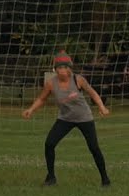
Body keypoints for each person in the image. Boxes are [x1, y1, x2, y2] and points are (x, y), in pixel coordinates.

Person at [22, 51, 112, 187]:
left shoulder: (78, 80)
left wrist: (102, 107)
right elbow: (41, 99)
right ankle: (51, 177)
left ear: (70, 68)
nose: (62, 70)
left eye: (65, 67)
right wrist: (31, 110)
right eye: (59, 67)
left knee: (94, 148)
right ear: (55, 69)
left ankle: (105, 179)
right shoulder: (51, 83)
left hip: (84, 118)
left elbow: (93, 93)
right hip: (65, 119)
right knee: (49, 144)